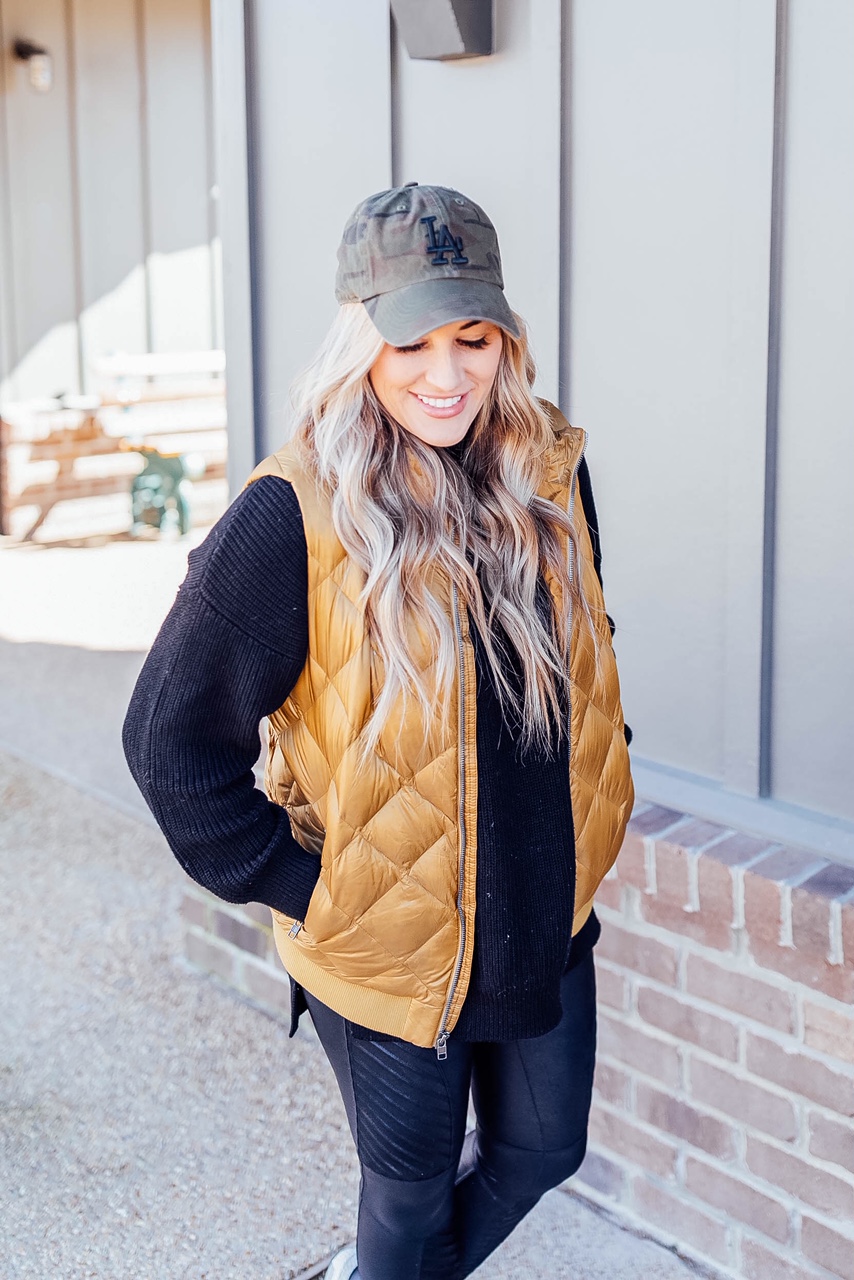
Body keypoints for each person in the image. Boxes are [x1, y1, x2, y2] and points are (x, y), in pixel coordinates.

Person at [123, 183, 634, 1280]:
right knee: (401, 1211)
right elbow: (170, 742)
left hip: (543, 904)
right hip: (383, 936)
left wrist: (603, 780)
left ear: (505, 337)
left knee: (542, 1149)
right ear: (360, 336)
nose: (445, 374)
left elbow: (590, 638)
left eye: (472, 336)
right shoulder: (293, 511)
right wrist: (318, 886)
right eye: (411, 340)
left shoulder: (548, 463)